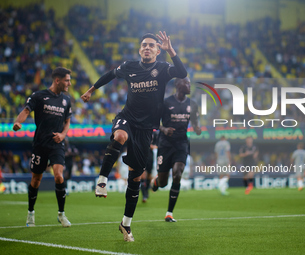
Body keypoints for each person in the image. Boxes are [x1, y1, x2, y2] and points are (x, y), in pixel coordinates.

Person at [81, 32, 187, 241]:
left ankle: (126, 224)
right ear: (140, 50)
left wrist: (171, 51)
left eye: (151, 45)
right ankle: (102, 180)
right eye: (144, 45)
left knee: (136, 177)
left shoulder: (164, 68)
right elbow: (111, 75)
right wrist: (92, 89)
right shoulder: (129, 66)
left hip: (146, 128)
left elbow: (182, 72)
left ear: (157, 50)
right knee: (120, 136)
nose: (147, 48)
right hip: (127, 117)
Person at [12, 67, 72, 227]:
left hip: (57, 144)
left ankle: (61, 214)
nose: (69, 83)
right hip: (40, 144)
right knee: (36, 179)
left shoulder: (67, 100)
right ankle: (31, 213)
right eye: (67, 80)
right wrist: (18, 122)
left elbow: (68, 121)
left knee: (59, 175)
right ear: (57, 80)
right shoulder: (39, 96)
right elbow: (26, 110)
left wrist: (63, 135)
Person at [151, 77, 201, 222]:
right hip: (165, 144)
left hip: (181, 144)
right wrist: (164, 129)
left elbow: (195, 121)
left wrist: (197, 128)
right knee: (163, 183)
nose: (189, 86)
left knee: (178, 173)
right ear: (178, 85)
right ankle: (156, 182)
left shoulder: (193, 104)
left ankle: (169, 213)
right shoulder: (166, 102)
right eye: (187, 84)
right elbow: (154, 122)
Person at [141, 130, 159, 203]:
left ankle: (146, 190)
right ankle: (144, 195)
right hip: (143, 154)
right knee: (143, 176)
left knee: (148, 176)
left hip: (150, 156)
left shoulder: (155, 134)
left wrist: (153, 146)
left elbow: (158, 145)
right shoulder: (142, 131)